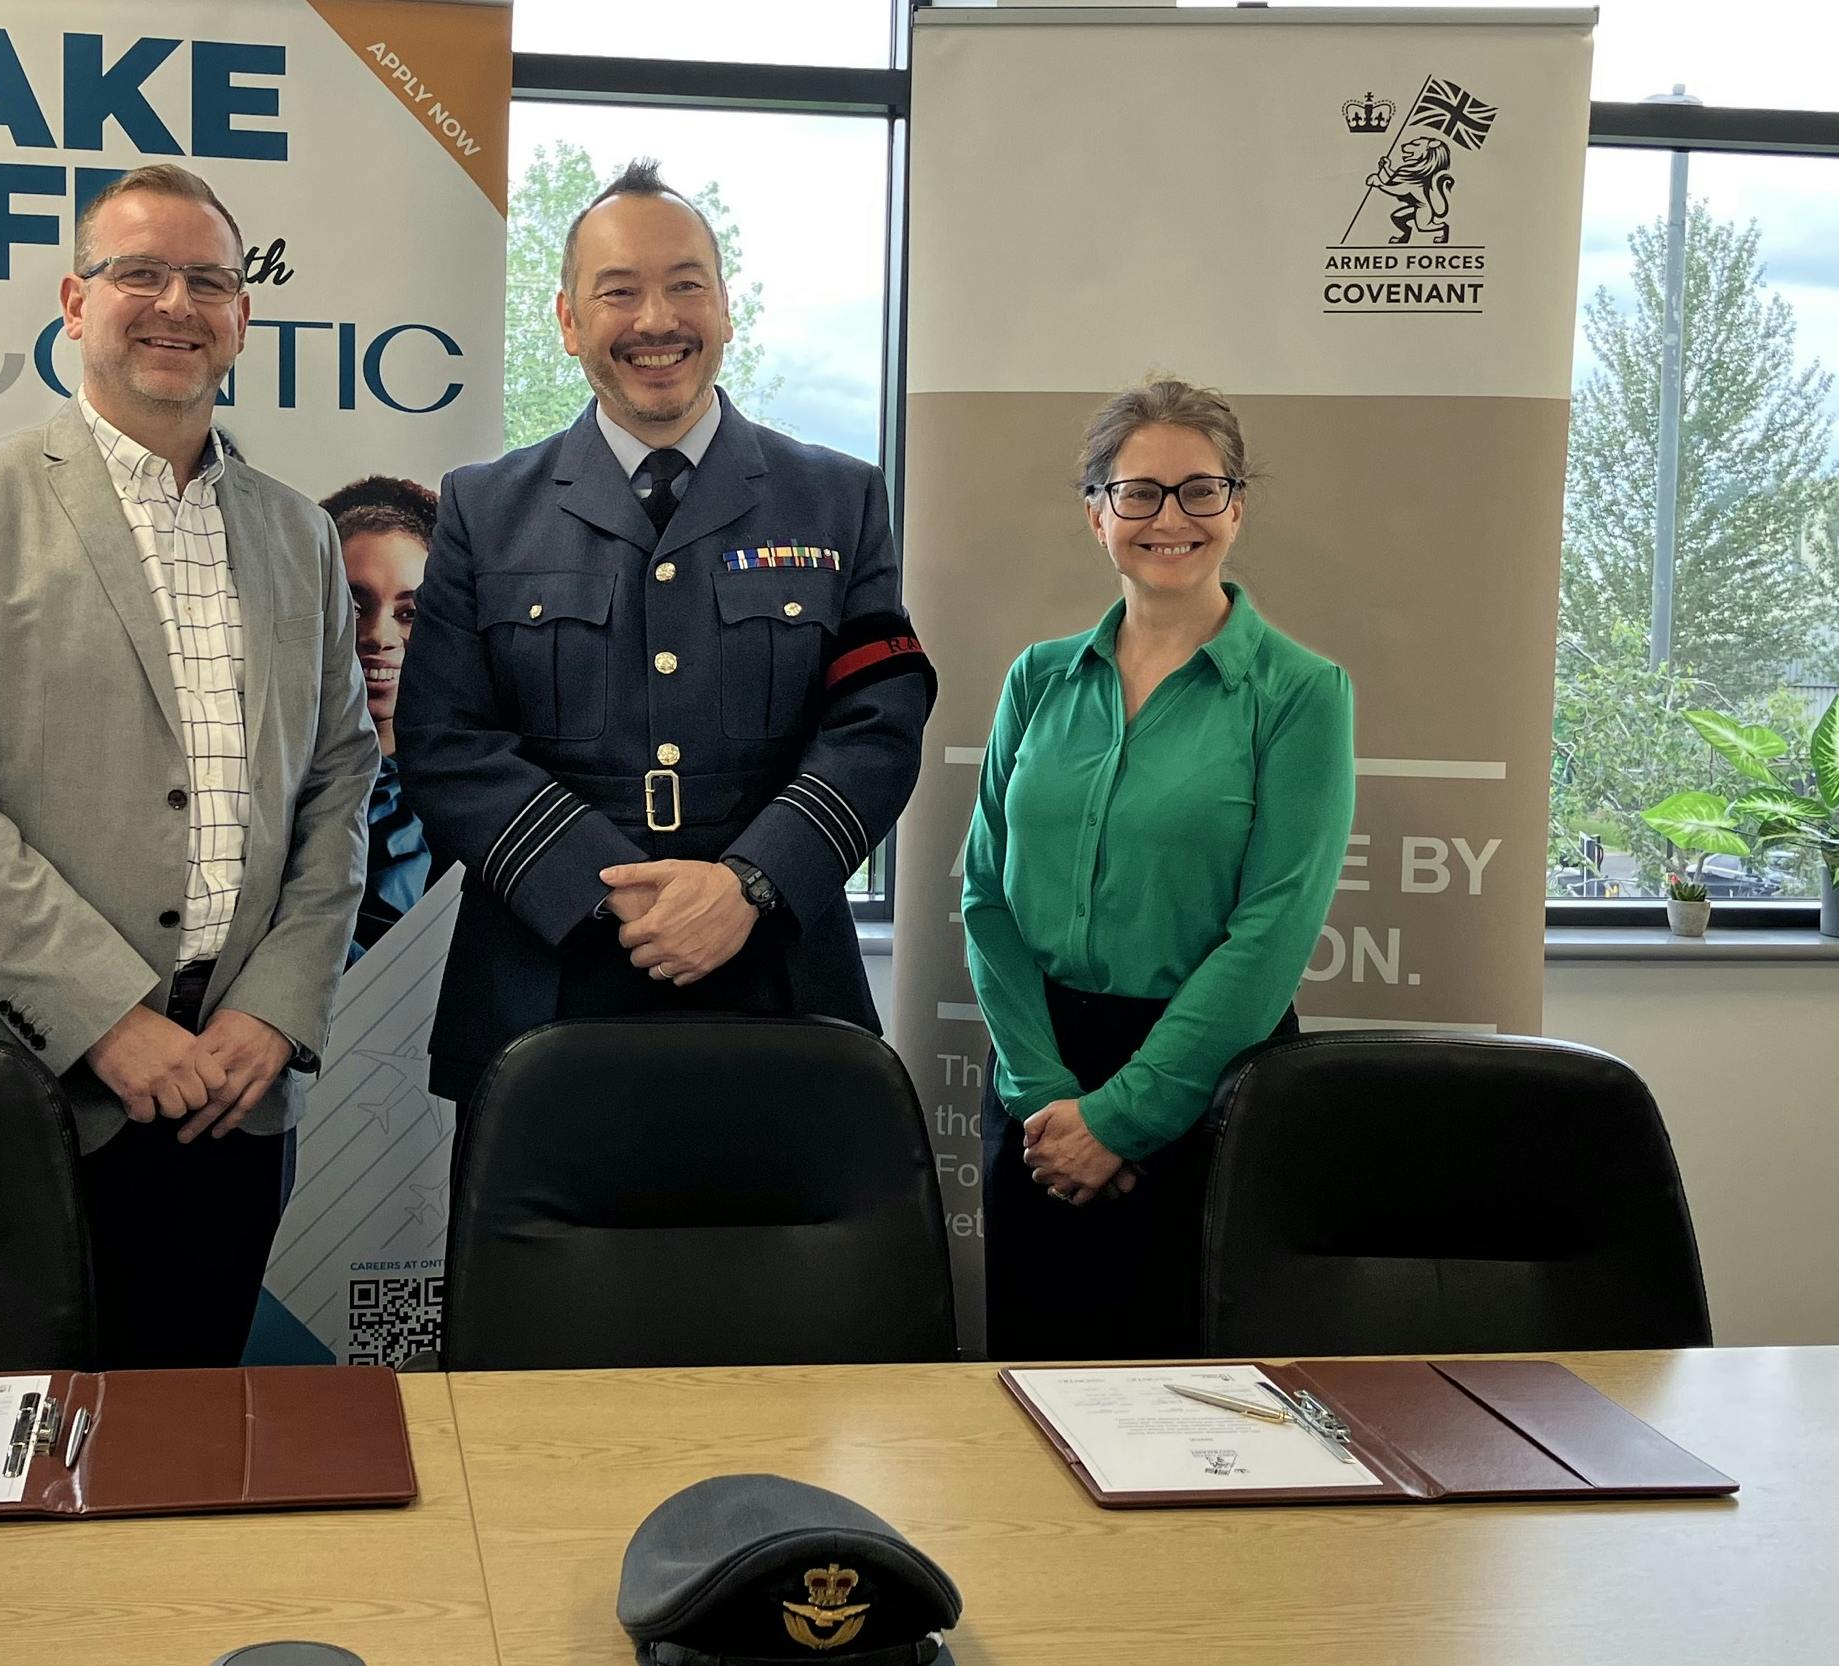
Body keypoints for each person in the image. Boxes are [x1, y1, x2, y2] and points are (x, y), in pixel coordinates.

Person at [0, 163, 378, 1369]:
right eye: (138, 272)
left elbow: (340, 786)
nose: (174, 303)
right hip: (24, 1092)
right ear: (73, 301)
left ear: (242, 317)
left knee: (182, 1454)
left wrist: (272, 1010)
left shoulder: (298, 532)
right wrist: (110, 1020)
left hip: (234, 1099)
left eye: (207, 280)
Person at [397, 159, 932, 1104]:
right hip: (544, 982)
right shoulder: (485, 508)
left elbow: (877, 724)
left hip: (778, 979)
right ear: (567, 323)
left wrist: (747, 885)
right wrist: (607, 890)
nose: (656, 320)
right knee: (537, 1257)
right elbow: (445, 741)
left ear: (726, 309)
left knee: (786, 1256)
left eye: (686, 285)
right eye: (618, 291)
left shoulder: (837, 498)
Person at [962, 378, 1356, 1362]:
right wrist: (1046, 1095)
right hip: (1037, 1093)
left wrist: (1121, 1117)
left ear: (1236, 506)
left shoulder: (1301, 692)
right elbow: (983, 893)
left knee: (1197, 1420)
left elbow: (1270, 932)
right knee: (1029, 1399)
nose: (1167, 518)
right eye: (1136, 492)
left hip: (1207, 1088)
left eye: (1198, 490)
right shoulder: (1035, 678)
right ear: (1095, 512)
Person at [318, 475, 450, 962]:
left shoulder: (476, 793)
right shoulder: (259, 783)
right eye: (355, 605)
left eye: (411, 611)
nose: (379, 635)